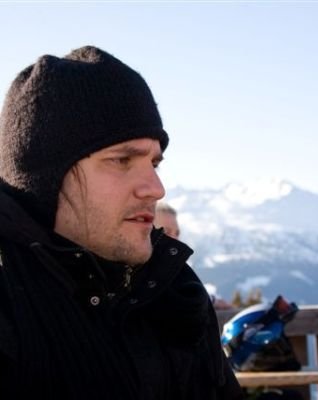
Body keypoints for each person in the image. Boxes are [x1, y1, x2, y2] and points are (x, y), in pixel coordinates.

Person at [0, 46, 243, 400]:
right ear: (44, 178)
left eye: (154, 163)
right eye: (122, 160)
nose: (155, 189)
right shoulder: (9, 306)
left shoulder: (173, 288)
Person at [154, 201, 233, 310]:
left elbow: (184, 293)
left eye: (177, 233)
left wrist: (211, 300)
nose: (175, 239)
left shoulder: (174, 269)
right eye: (166, 232)